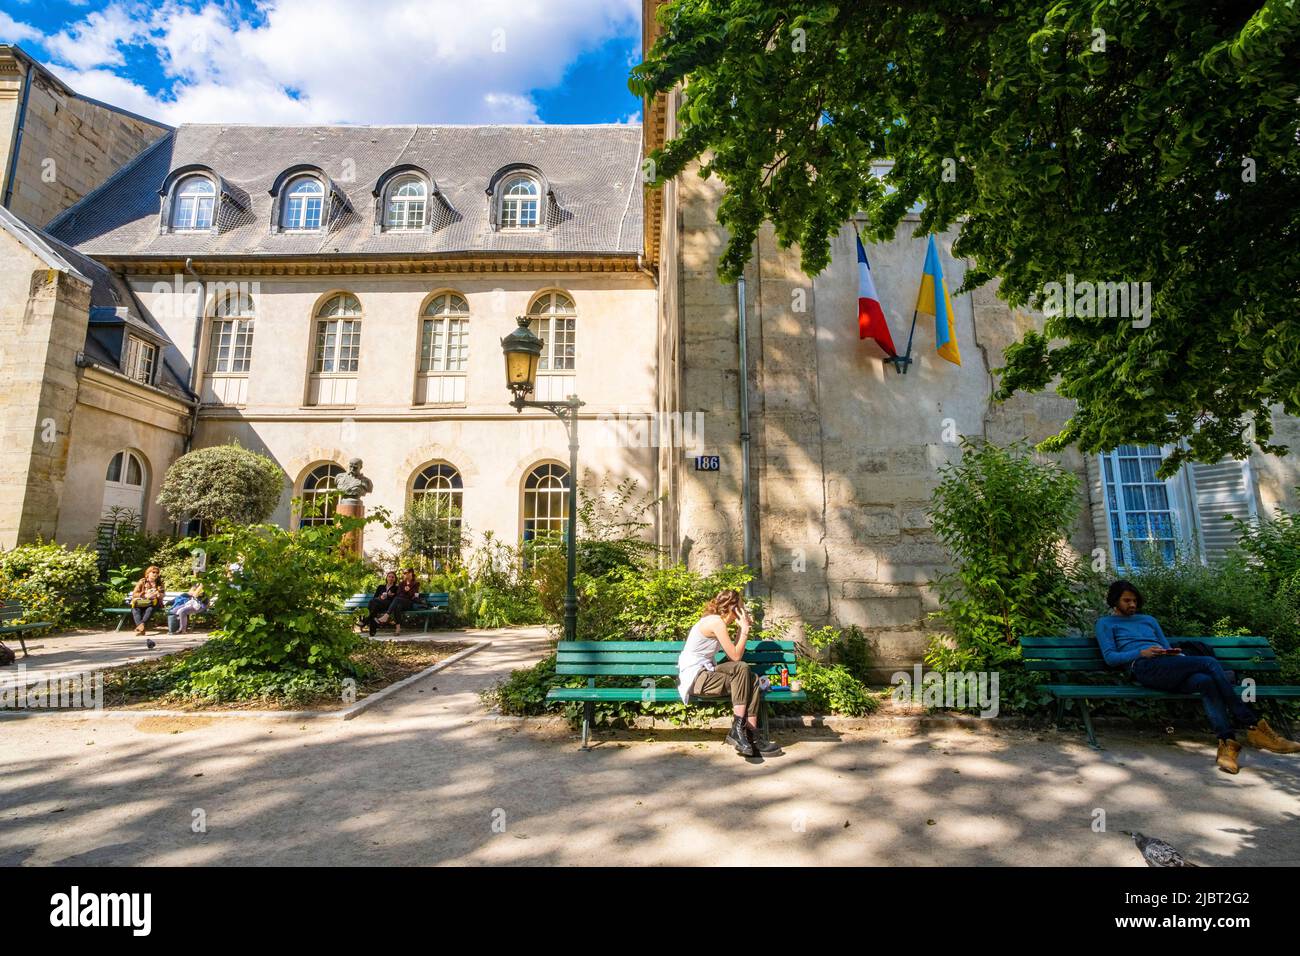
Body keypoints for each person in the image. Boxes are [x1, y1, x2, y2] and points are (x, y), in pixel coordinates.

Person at [1096, 579, 1300, 773]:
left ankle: (1227, 744)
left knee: (1206, 682)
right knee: (1209, 662)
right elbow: (1110, 658)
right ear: (1115, 601)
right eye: (1127, 600)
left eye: (1135, 600)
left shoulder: (1149, 620)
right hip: (1143, 668)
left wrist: (1176, 655)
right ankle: (1252, 724)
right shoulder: (1105, 623)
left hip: (1168, 664)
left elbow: (1166, 647)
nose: (1133, 604)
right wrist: (1141, 653)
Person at [677, 589, 780, 757]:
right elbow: (736, 657)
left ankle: (752, 735)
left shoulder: (718, 622)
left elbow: (733, 656)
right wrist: (745, 629)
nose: (744, 611)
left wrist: (742, 628)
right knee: (742, 667)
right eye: (741, 607)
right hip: (697, 679)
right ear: (733, 608)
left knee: (751, 677)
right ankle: (737, 730)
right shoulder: (716, 622)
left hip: (707, 673)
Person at [375, 567, 421, 636]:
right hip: (401, 602)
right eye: (404, 573)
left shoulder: (415, 583)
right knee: (397, 606)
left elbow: (413, 595)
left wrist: (408, 591)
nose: (404, 574)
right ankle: (398, 629)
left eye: (405, 573)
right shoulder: (402, 583)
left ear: (411, 573)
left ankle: (386, 615)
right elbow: (398, 593)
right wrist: (404, 592)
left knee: (397, 599)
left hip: (409, 603)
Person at [130, 566, 165, 636]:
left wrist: (158, 594)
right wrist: (145, 595)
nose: (155, 574)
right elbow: (134, 594)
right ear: (148, 573)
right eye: (153, 572)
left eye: (157, 573)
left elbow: (162, 594)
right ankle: (141, 627)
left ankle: (140, 627)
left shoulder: (159, 582)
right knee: (135, 609)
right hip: (142, 602)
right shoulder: (142, 581)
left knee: (150, 609)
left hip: (154, 603)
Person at [366, 571, 400, 637]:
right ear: (386, 578)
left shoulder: (396, 588)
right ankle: (372, 631)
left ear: (395, 579)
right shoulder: (380, 587)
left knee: (372, 603)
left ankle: (366, 621)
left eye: (393, 577)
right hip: (378, 605)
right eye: (389, 576)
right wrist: (380, 597)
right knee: (373, 605)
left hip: (388, 605)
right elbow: (375, 597)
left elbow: (396, 600)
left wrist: (390, 595)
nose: (391, 578)